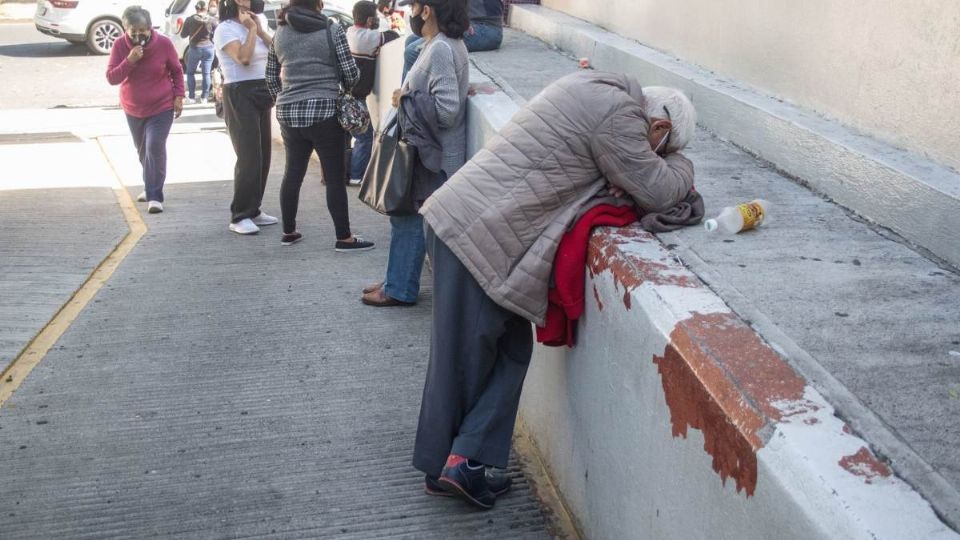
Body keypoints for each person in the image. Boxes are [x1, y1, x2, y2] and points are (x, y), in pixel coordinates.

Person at [413, 72, 697, 509]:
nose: (658, 155)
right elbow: (658, 190)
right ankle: (447, 464)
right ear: (659, 129)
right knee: (465, 358)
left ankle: (461, 460)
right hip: (476, 233)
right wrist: (680, 166)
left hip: (474, 226)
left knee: (507, 353)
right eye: (665, 149)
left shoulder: (590, 86)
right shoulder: (621, 117)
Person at [360, 0, 469, 306]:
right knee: (404, 216)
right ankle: (397, 279)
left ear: (427, 10)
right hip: (428, 153)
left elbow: (447, 110)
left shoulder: (442, 49)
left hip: (431, 157)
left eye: (415, 6)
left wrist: (405, 97)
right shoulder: (438, 45)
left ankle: (399, 289)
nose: (410, 12)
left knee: (406, 218)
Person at [265, 0, 374, 250]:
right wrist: (340, 88)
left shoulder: (280, 32)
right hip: (325, 111)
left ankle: (289, 232)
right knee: (334, 177)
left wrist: (283, 98)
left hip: (289, 113)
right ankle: (343, 237)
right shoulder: (331, 29)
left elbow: (271, 75)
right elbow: (351, 73)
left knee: (293, 173)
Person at [106, 6, 185, 214]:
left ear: (150, 28)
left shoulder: (164, 44)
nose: (139, 35)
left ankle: (155, 196)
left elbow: (177, 71)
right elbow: (112, 78)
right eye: (133, 31)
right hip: (133, 107)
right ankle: (150, 185)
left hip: (161, 105)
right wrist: (129, 61)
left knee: (154, 147)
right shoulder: (119, 46)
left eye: (143, 30)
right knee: (142, 151)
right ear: (125, 29)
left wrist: (179, 96)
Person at [214, 0, 279, 235]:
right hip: (240, 92)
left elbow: (276, 52)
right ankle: (239, 214)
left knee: (263, 155)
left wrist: (259, 30)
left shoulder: (256, 23)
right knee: (248, 155)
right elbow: (243, 58)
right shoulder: (225, 29)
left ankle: (254, 209)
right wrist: (251, 31)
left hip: (262, 90)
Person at [346, 0, 399, 186]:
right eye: (375, 18)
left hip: (343, 95)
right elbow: (393, 36)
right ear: (369, 20)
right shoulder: (367, 38)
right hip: (354, 99)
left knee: (346, 137)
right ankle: (356, 176)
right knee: (365, 137)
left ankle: (338, 174)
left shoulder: (349, 32)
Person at [402, 0, 502, 80]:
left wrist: (462, 19)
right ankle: (411, 96)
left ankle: (408, 101)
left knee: (412, 51)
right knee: (410, 40)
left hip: (487, 27)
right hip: (470, 21)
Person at [180, 0, 218, 104]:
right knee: (206, 73)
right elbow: (217, 35)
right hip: (209, 49)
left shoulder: (189, 20)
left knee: (190, 72)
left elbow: (183, 35)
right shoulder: (213, 20)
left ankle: (191, 97)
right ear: (206, 9)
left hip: (194, 49)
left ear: (196, 8)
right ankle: (204, 98)